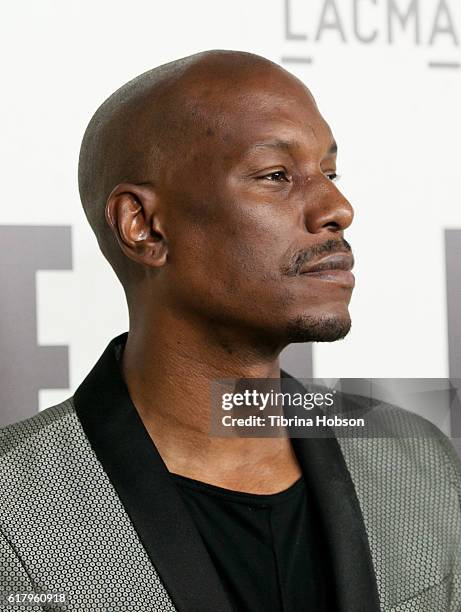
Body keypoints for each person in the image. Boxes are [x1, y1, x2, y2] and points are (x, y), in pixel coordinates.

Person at [0, 50, 460, 612]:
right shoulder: (13, 503)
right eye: (276, 176)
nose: (338, 207)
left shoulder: (418, 461)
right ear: (144, 226)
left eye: (331, 173)